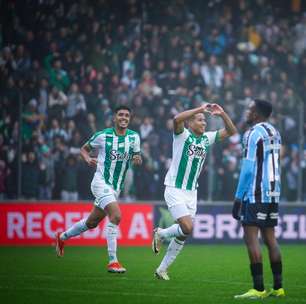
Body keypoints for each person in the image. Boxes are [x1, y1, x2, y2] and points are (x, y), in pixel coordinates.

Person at [152, 103, 237, 280]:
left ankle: (162, 268)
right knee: (187, 226)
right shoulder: (182, 135)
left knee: (185, 233)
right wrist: (199, 108)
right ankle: (162, 233)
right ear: (190, 123)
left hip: (192, 192)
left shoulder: (207, 138)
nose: (203, 123)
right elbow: (176, 119)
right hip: (175, 188)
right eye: (200, 120)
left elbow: (231, 131)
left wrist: (222, 114)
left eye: (204, 120)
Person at [55, 105, 142, 273]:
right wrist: (87, 158)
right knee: (116, 216)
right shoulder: (103, 136)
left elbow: (136, 156)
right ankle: (113, 261)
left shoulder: (134, 137)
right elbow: (84, 149)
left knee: (92, 223)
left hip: (115, 187)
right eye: (121, 115)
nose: (124, 118)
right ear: (114, 118)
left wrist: (137, 158)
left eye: (127, 115)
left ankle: (62, 237)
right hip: (101, 182)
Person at [232, 99, 285, 299]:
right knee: (271, 238)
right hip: (273, 191)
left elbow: (247, 169)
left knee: (251, 238)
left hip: (256, 192)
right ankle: (279, 287)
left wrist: (238, 198)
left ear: (255, 114)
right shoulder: (275, 132)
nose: (246, 112)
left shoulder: (252, 133)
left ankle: (259, 288)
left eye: (249, 110)